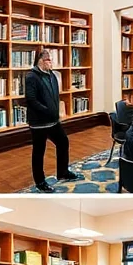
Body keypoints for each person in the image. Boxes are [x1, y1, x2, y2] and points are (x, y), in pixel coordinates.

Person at [25, 49, 78, 192]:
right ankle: (40, 182)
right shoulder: (31, 77)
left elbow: (55, 96)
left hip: (53, 121)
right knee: (39, 151)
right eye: (48, 60)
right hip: (39, 122)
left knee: (63, 142)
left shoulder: (53, 76)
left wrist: (56, 112)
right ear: (40, 61)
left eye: (50, 60)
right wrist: (47, 110)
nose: (51, 62)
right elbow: (31, 99)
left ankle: (62, 173)